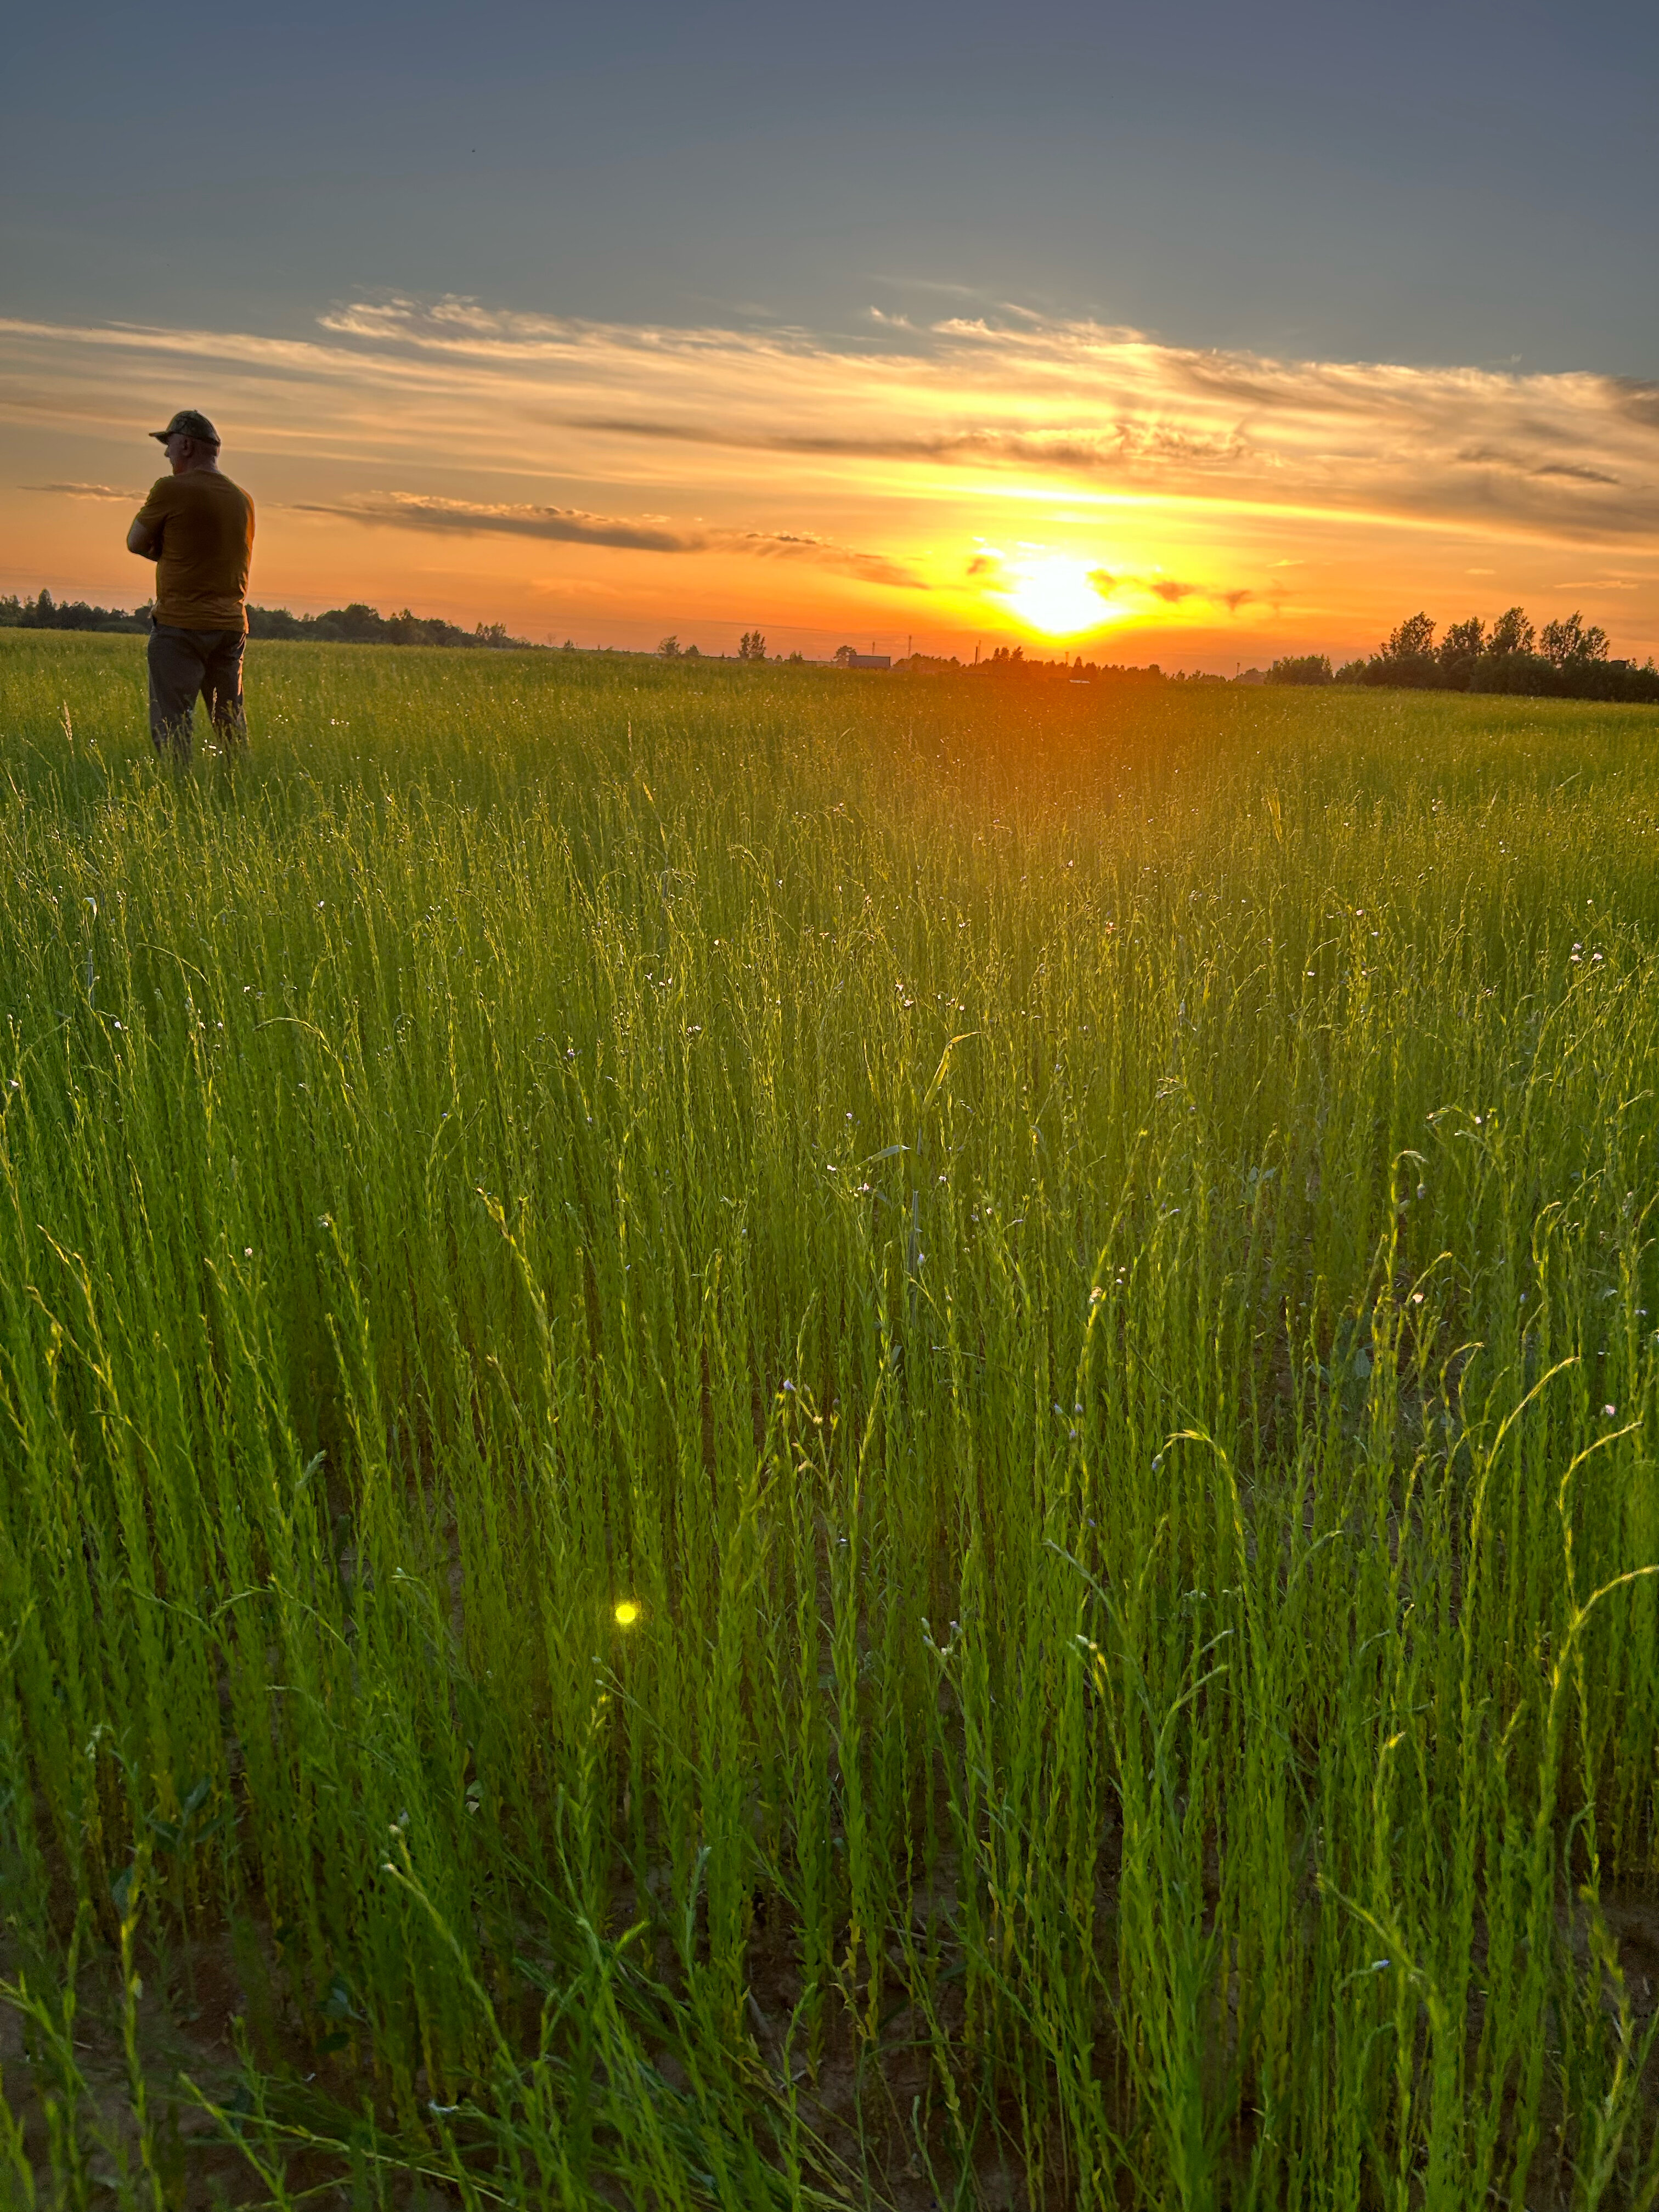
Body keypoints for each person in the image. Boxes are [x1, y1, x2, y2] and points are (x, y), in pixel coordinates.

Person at [126, 410, 256, 763]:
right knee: (230, 725)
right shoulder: (242, 498)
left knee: (172, 726)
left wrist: (168, 555)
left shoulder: (170, 489)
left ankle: (179, 800)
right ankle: (239, 793)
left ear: (185, 445)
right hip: (231, 627)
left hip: (180, 625)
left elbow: (135, 542)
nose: (166, 454)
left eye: (168, 445)